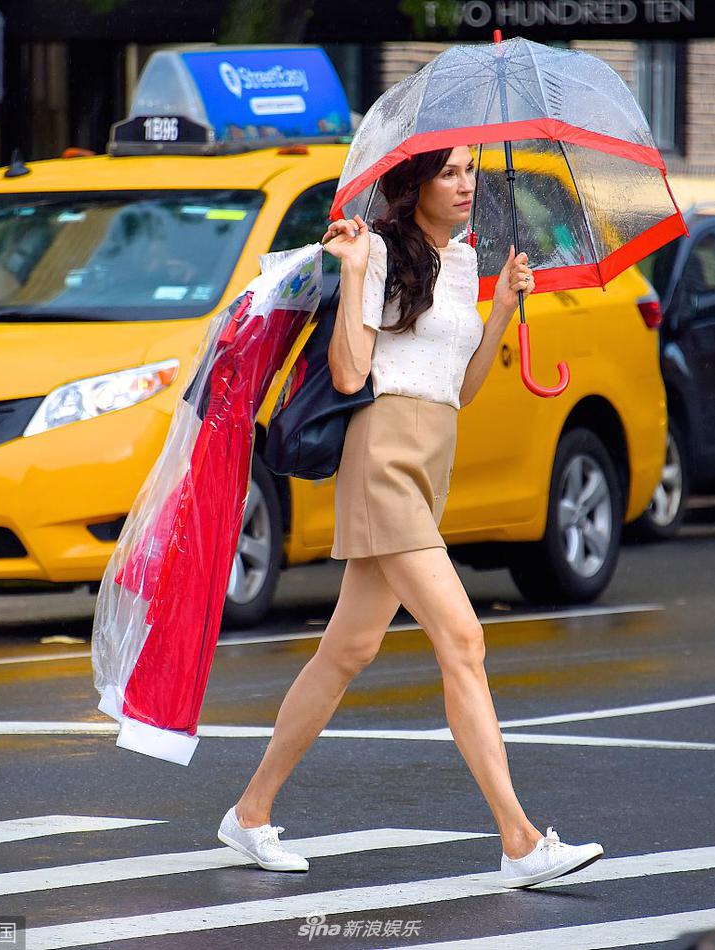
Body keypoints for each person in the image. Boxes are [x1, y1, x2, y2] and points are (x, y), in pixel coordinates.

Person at [218, 145, 604, 889]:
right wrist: (357, 274)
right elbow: (350, 374)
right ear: (415, 182)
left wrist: (502, 311)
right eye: (450, 172)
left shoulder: (460, 262)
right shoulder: (381, 252)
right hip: (383, 457)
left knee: (348, 650)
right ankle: (519, 840)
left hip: (433, 461)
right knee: (462, 636)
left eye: (470, 172)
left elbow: (460, 389)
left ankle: (251, 811)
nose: (466, 185)